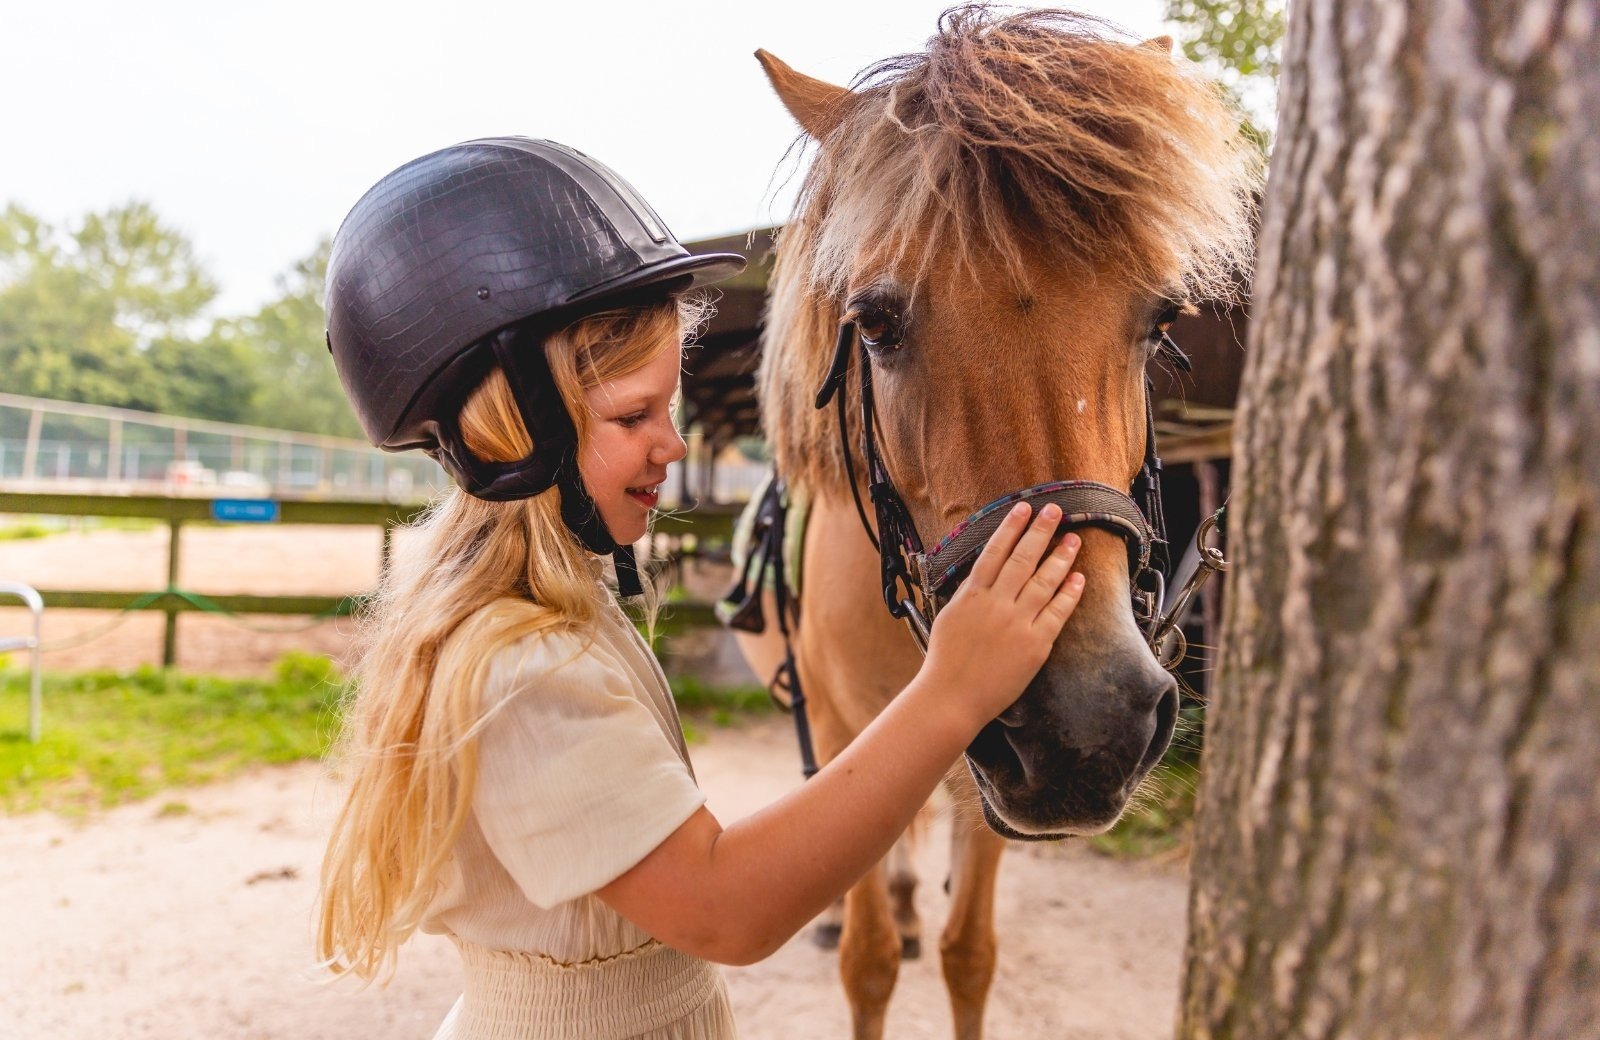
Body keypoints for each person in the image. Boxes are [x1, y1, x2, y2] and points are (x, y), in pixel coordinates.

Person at [315, 137, 1088, 1039]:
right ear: (513, 432)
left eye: (670, 411)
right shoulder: (519, 665)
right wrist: (952, 692)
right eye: (634, 416)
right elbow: (724, 908)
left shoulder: (568, 614)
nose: (673, 445)